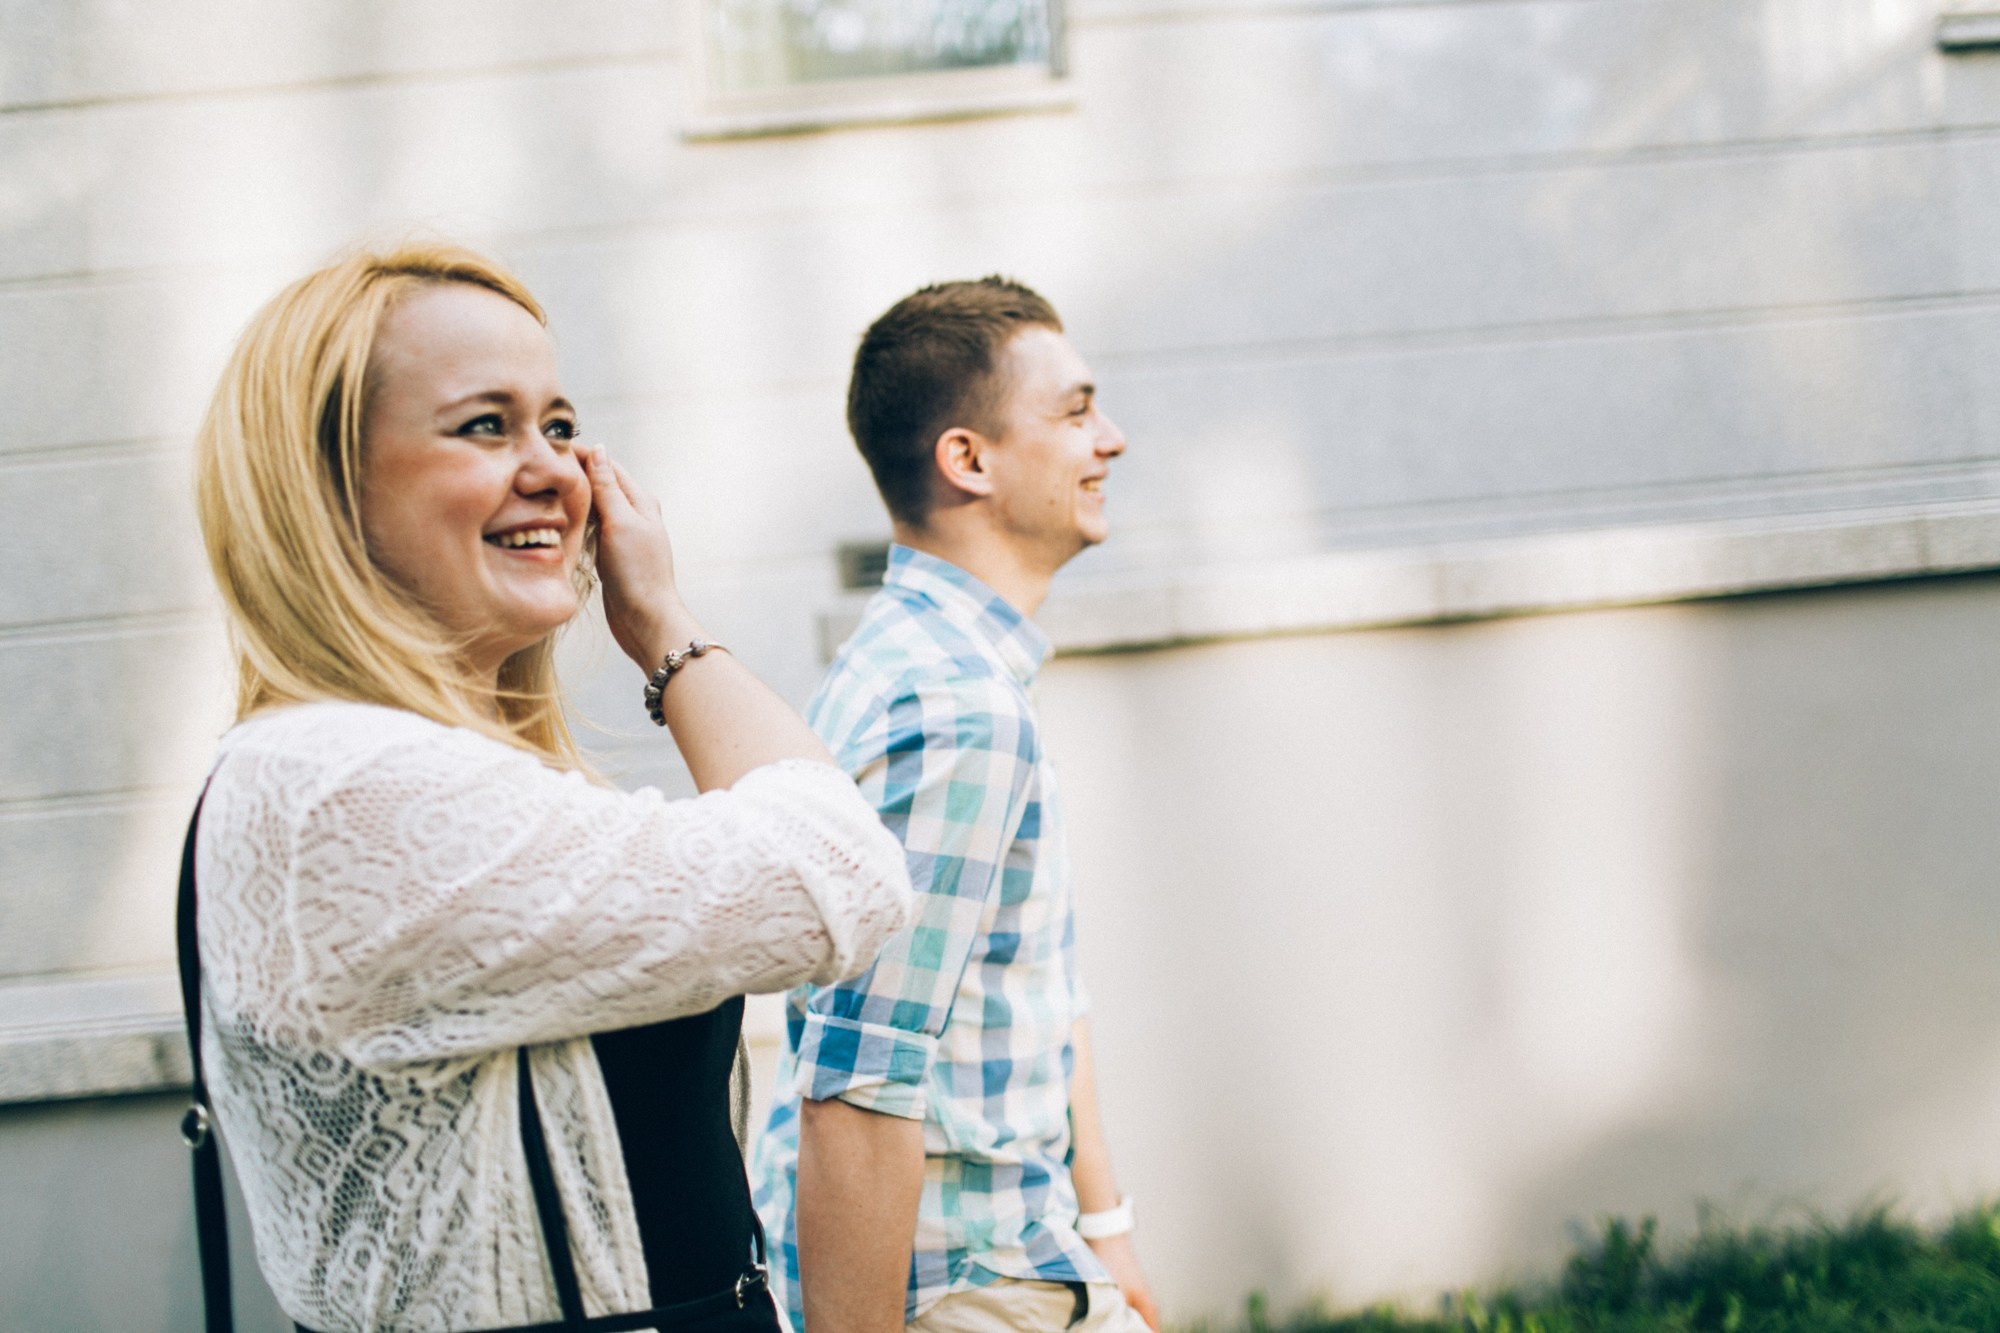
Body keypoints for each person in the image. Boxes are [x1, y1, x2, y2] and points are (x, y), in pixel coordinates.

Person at [186, 242, 913, 1333]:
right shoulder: (340, 786)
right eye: (487, 425)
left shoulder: (404, 767)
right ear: (326, 487)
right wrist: (661, 622)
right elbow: (841, 876)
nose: (559, 472)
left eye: (561, 426)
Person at [751, 278, 1157, 1333]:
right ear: (968, 459)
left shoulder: (924, 665)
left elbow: (1036, 989)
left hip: (1016, 1259)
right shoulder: (953, 706)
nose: (1109, 438)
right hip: (963, 1290)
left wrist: (1105, 1228)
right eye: (1074, 410)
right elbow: (859, 1080)